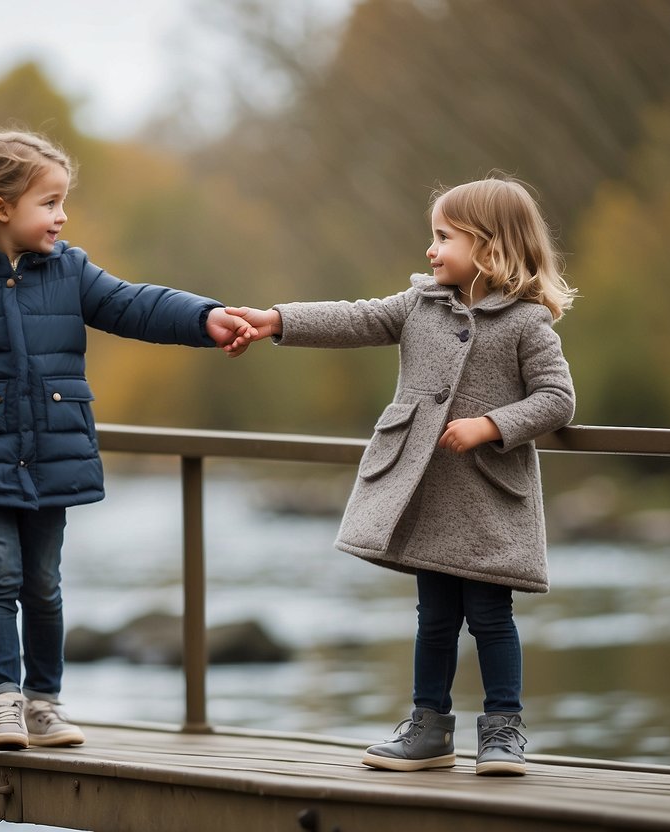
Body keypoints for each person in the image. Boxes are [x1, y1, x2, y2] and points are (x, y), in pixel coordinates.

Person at [0, 129, 255, 751]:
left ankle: (44, 705)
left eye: (63, 201)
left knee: (44, 583)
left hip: (52, 455)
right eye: (49, 202)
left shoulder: (71, 273)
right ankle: (1, 703)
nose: (63, 215)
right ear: (1, 208)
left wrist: (202, 318)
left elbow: (135, 305)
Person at [228, 175, 576, 775]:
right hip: (426, 491)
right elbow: (355, 319)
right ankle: (429, 727)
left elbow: (557, 398)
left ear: (490, 248)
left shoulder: (525, 323)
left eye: (443, 237)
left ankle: (503, 731)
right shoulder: (420, 305)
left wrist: (490, 424)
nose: (430, 249)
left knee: (492, 617)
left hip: (490, 498)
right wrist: (277, 321)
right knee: (434, 617)